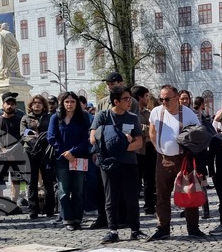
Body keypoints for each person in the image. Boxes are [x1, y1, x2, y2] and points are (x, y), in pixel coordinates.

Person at [148, 84, 206, 241]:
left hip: (183, 159)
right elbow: (152, 131)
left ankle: (193, 227)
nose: (164, 102)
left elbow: (198, 134)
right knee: (162, 195)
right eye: (161, 99)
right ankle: (163, 228)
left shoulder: (188, 114)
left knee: (189, 192)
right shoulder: (156, 112)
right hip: (163, 159)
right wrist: (158, 148)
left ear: (176, 98)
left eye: (167, 99)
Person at [90, 85, 144, 243]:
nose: (129, 101)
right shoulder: (102, 115)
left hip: (129, 162)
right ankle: (112, 230)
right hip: (108, 163)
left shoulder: (132, 117)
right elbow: (93, 138)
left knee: (131, 198)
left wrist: (120, 147)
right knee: (110, 198)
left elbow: (139, 142)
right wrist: (110, 139)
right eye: (126, 99)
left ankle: (135, 230)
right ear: (115, 101)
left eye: (130, 98)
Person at [48, 92, 90, 230]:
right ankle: (67, 219)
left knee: (78, 190)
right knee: (64, 191)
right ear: (62, 103)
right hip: (62, 159)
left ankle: (77, 219)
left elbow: (86, 139)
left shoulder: (83, 118)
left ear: (76, 103)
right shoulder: (55, 118)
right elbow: (52, 137)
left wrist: (73, 152)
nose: (69, 104)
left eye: (72, 101)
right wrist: (65, 152)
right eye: (66, 102)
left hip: (79, 157)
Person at [0, 93, 24, 215]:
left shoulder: (20, 120)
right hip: (0, 155)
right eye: (7, 103)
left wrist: (11, 151)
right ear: (3, 105)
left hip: (17, 155)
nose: (10, 106)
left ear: (15, 106)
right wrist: (4, 150)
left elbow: (22, 138)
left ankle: (14, 204)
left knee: (17, 180)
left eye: (12, 104)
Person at [20, 95, 54, 219]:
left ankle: (50, 209)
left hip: (46, 152)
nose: (37, 105)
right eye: (35, 103)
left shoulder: (49, 118)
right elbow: (23, 134)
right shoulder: (25, 118)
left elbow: (52, 133)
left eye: (40, 103)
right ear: (31, 105)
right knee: (32, 182)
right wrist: (34, 138)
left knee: (48, 182)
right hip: (30, 151)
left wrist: (42, 138)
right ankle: (33, 211)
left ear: (43, 105)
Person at [131, 85, 157, 215]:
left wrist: (148, 129)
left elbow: (154, 128)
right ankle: (133, 206)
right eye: (146, 96)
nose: (148, 98)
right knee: (135, 181)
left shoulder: (148, 112)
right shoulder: (132, 113)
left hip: (149, 148)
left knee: (150, 180)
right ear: (140, 97)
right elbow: (136, 128)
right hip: (137, 150)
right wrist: (149, 129)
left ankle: (149, 206)